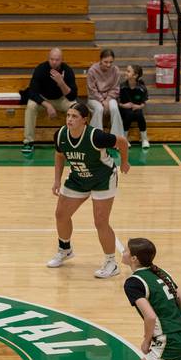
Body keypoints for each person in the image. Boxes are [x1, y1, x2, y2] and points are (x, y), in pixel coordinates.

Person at [47, 102, 129, 278]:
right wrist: (56, 180)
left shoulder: (96, 136)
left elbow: (122, 142)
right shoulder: (60, 134)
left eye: (74, 116)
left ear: (85, 120)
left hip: (103, 178)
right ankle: (65, 249)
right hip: (78, 177)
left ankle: (111, 263)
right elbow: (60, 154)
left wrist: (124, 162)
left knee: (100, 222)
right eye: (68, 115)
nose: (70, 119)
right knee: (61, 214)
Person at [22, 48, 78, 154]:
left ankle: (74, 140)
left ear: (61, 60)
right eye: (52, 59)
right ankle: (28, 142)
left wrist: (61, 82)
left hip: (61, 99)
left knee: (75, 107)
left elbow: (72, 96)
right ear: (48, 59)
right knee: (30, 106)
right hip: (44, 99)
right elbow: (32, 92)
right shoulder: (41, 69)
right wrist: (47, 105)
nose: (54, 62)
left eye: (57, 60)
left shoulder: (68, 70)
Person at [86, 48, 124, 138]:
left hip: (110, 97)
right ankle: (95, 138)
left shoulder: (116, 70)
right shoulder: (92, 71)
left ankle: (117, 138)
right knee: (99, 109)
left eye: (111, 62)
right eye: (106, 62)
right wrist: (102, 100)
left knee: (114, 108)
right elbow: (92, 90)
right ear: (100, 60)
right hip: (94, 98)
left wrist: (107, 100)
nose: (108, 65)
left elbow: (115, 88)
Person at [119, 64, 150, 150]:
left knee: (140, 114)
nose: (126, 73)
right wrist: (123, 105)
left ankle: (144, 139)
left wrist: (139, 106)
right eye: (126, 71)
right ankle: (125, 139)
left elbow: (144, 102)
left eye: (128, 71)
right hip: (124, 110)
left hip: (136, 109)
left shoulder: (141, 88)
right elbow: (118, 101)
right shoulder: (122, 87)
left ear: (135, 75)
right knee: (129, 114)